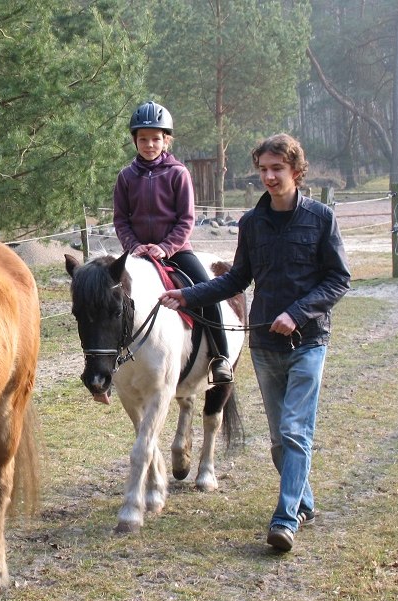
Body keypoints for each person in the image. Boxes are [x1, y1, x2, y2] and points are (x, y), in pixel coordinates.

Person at [158, 134, 351, 552]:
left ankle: (285, 518)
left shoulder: (321, 219)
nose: (269, 176)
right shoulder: (251, 223)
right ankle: (304, 500)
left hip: (309, 341)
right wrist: (187, 296)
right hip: (263, 343)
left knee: (295, 430)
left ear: (296, 171)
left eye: (277, 168)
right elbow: (236, 279)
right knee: (281, 439)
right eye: (263, 168)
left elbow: (339, 279)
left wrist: (297, 313)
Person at [113, 100, 233, 385]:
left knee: (205, 289)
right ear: (135, 141)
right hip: (137, 253)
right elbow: (121, 220)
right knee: (107, 299)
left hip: (176, 252)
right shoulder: (126, 177)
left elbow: (185, 219)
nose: (150, 144)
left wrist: (165, 247)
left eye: (156, 138)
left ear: (166, 140)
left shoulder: (178, 173)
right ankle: (107, 364)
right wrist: (134, 246)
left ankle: (220, 357)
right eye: (143, 139)